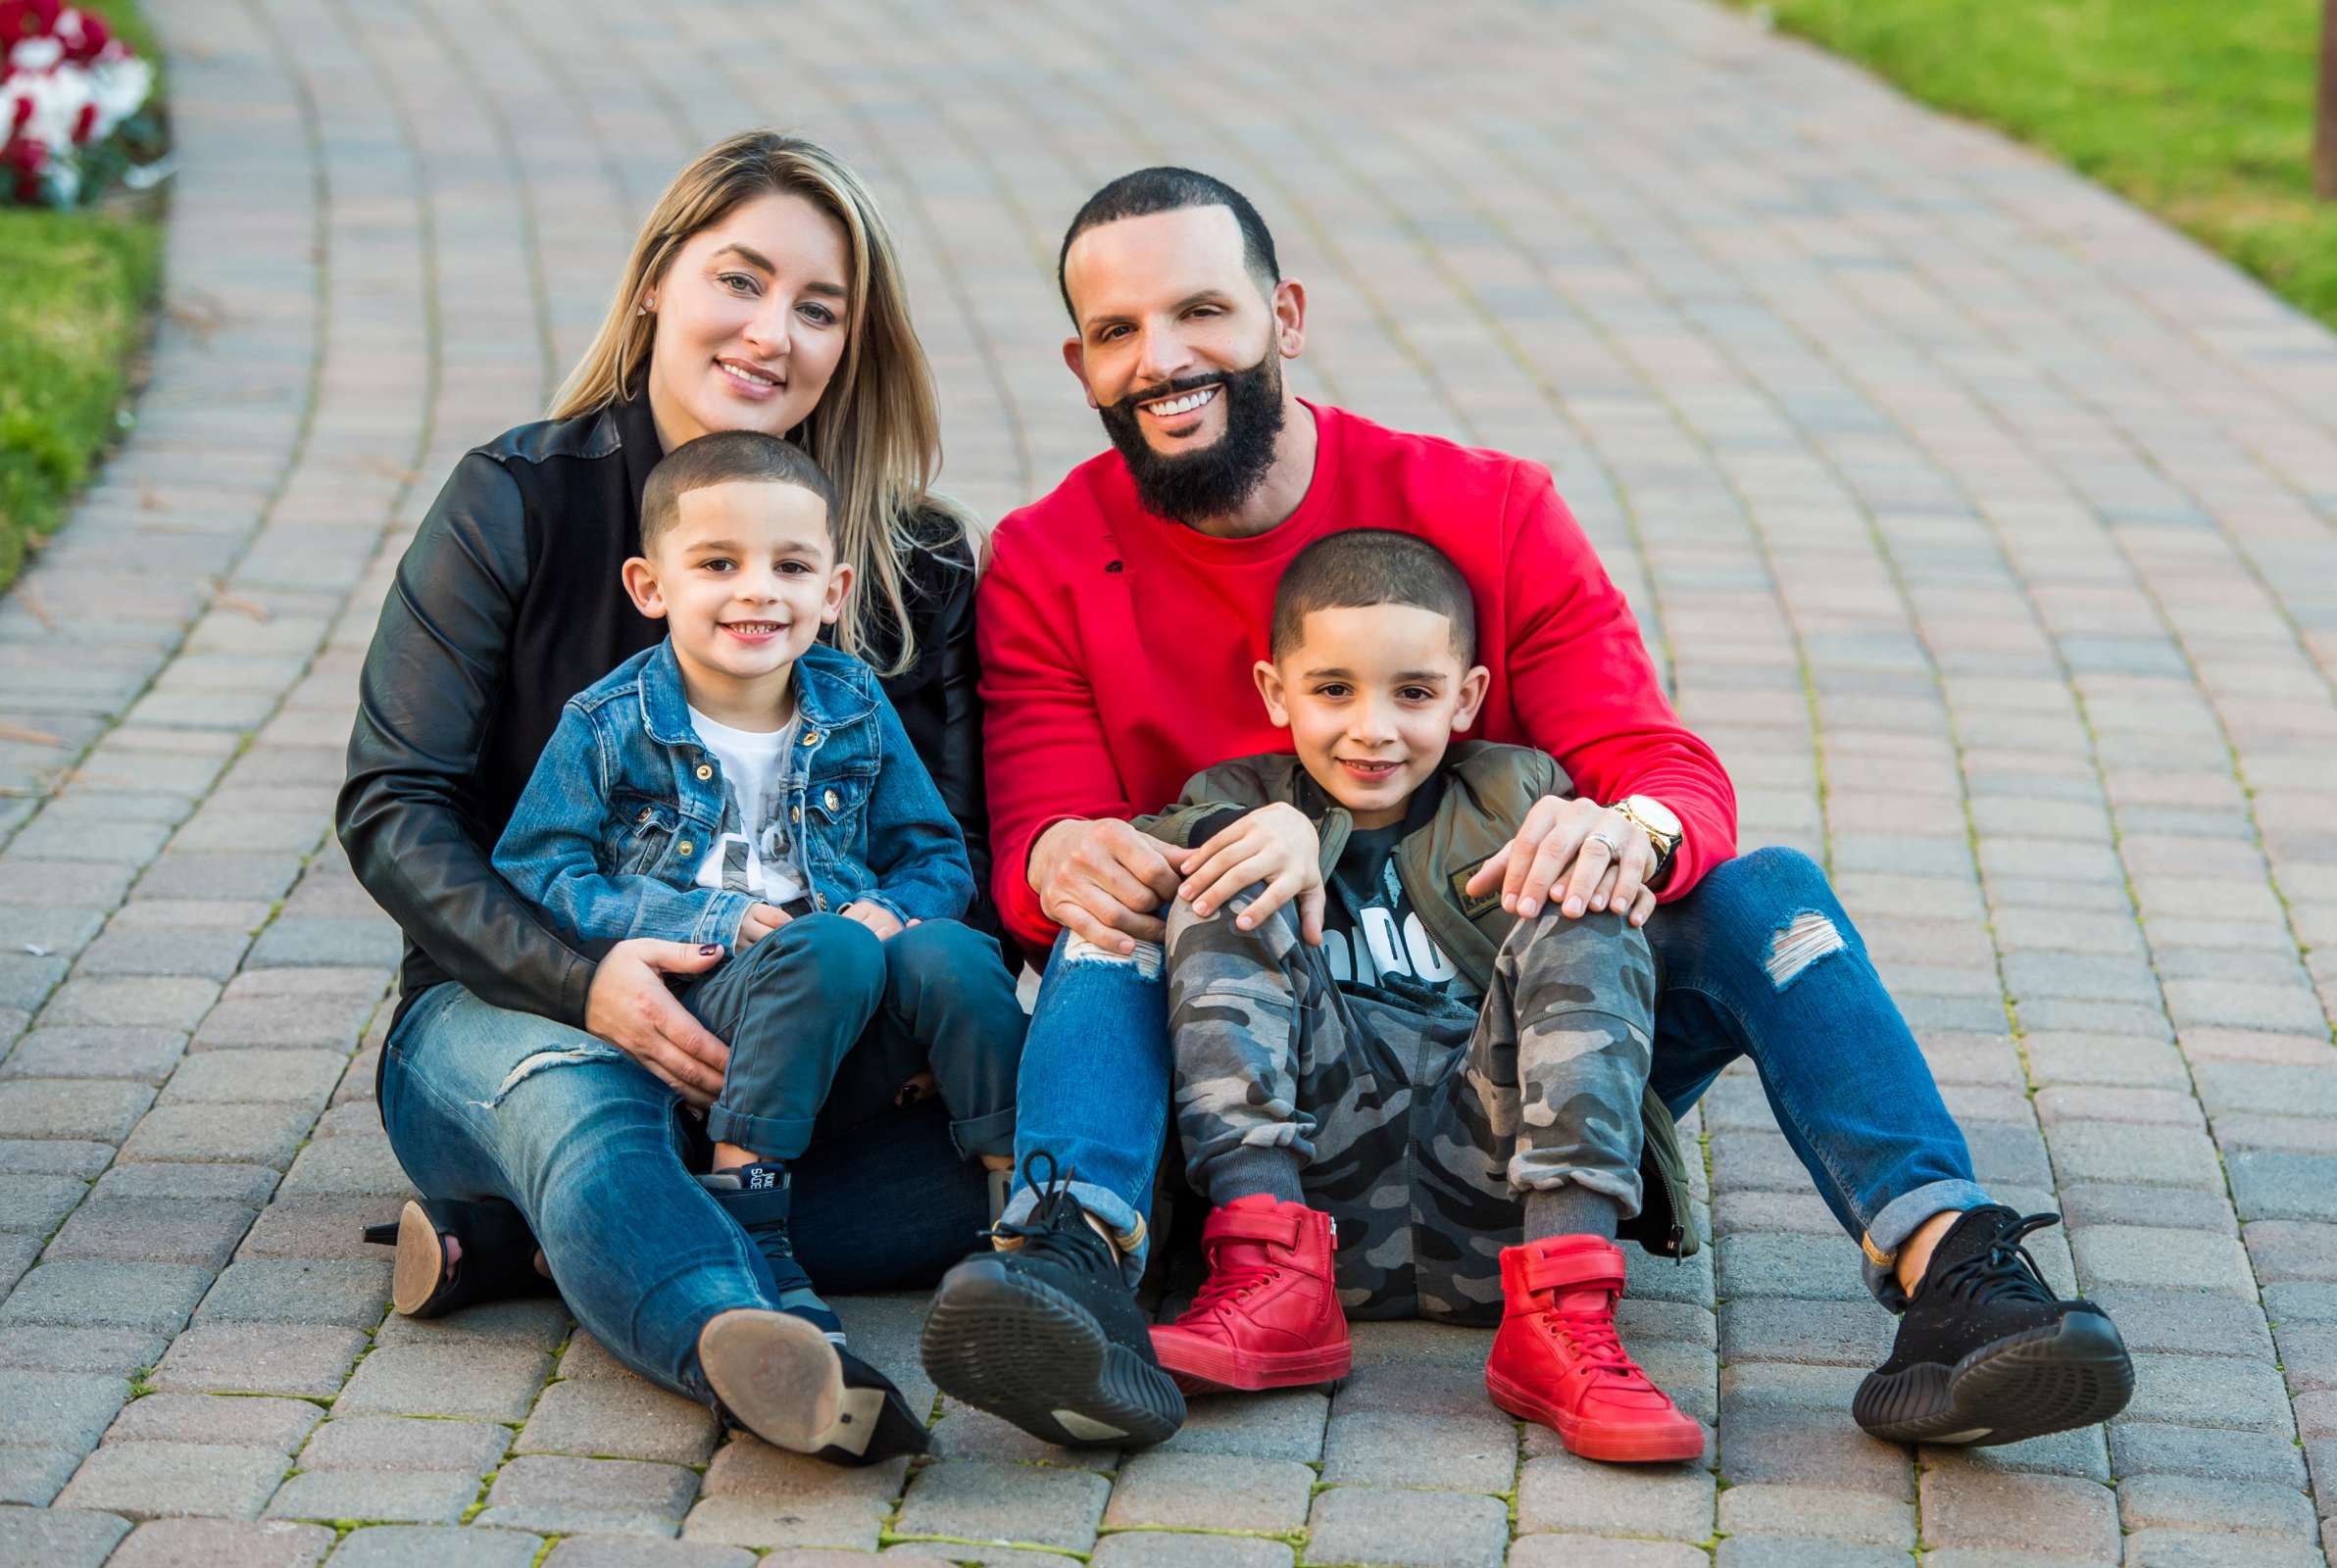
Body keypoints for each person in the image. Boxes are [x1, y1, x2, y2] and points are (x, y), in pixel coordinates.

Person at [923, 166, 2134, 1455]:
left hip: (1521, 1067)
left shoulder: (1487, 510)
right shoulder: (1051, 558)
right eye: (1118, 332)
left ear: (1284, 313)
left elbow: (1666, 768)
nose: (1161, 359)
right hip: (1253, 1086)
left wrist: (1634, 832)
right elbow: (1040, 848)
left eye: (1200, 313)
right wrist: (1064, 854)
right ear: (1079, 361)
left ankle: (1951, 1273)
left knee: (1764, 890)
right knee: (1112, 900)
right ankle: (1076, 1265)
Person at [337, 130, 1000, 1465]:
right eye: (740, 281)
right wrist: (585, 980)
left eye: (820, 308)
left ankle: (524, 1241)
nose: (773, 333)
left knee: (977, 1174)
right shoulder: (517, 501)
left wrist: (891, 953)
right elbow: (394, 805)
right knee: (590, 1113)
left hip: (806, 1046)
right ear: (656, 285)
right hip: (512, 1007)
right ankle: (746, 1345)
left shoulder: (907, 560)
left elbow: (956, 845)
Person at [485, 430, 1024, 1456]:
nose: (757, 593)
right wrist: (701, 918)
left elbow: (935, 855)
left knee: (951, 953)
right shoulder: (610, 723)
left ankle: (1020, 1217)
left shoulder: (853, 703)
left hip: (848, 981)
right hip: (711, 1002)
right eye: (719, 564)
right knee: (825, 952)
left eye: (790, 566)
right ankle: (756, 1220)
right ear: (651, 585)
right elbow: (540, 871)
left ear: (834, 588)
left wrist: (895, 910)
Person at [1141, 528, 1702, 1464]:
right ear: (1276, 693)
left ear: (1466, 696)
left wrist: (1595, 838)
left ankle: (1566, 1317)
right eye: (1332, 691)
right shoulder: (1226, 793)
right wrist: (1256, 829)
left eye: (1413, 693)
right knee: (1219, 877)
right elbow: (1166, 852)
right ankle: (1266, 1280)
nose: (1373, 729)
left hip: (1498, 1189)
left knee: (1587, 895)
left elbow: (1606, 873)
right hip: (1317, 1185)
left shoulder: (1517, 793)